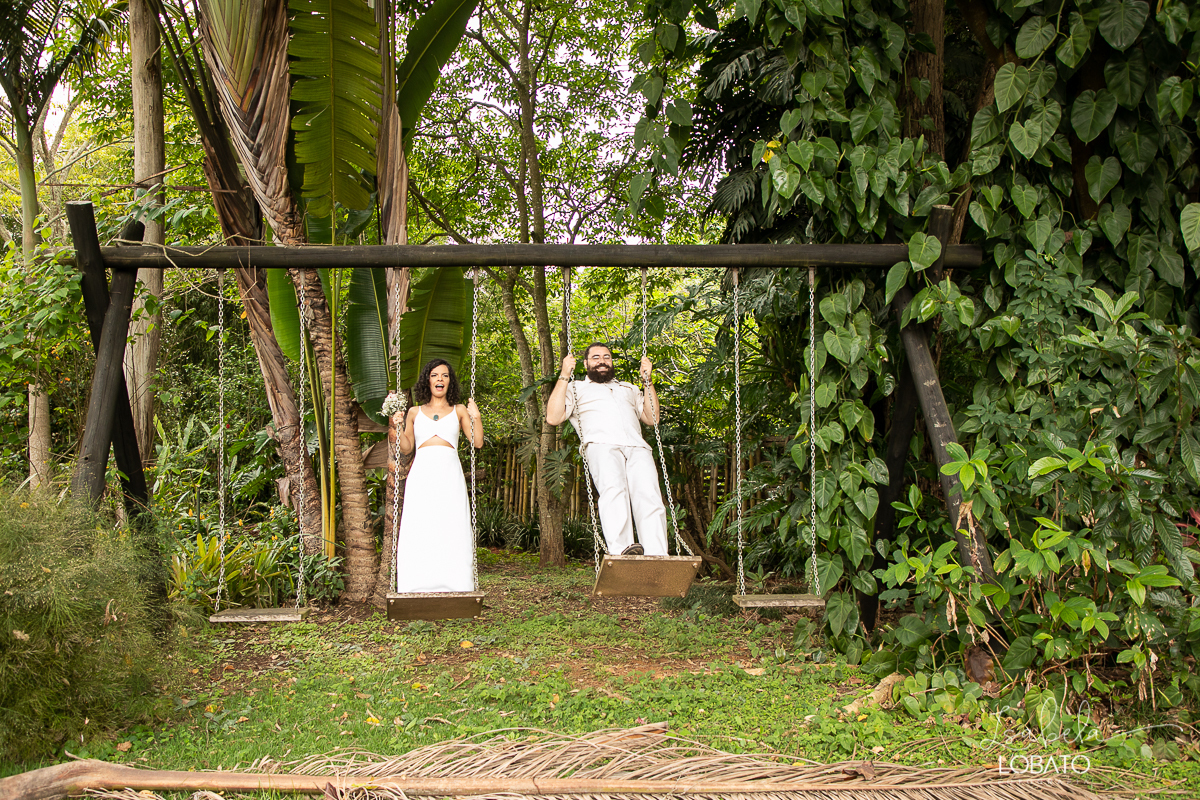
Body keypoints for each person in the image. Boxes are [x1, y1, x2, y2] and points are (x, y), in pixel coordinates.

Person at [545, 343, 668, 556]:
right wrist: (565, 374)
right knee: (614, 492)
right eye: (595, 357)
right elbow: (554, 417)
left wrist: (648, 382)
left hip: (637, 446)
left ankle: (657, 553)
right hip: (601, 445)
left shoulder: (628, 388)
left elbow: (652, 418)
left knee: (650, 496)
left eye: (606, 357)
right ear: (585, 363)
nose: (602, 361)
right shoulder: (576, 388)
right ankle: (623, 550)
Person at [393, 358, 484, 592]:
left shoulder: (459, 410)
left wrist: (476, 417)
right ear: (428, 380)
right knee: (422, 523)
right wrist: (396, 426)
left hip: (449, 472)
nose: (440, 379)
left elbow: (478, 442)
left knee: (450, 523)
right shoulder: (414, 412)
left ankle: (456, 582)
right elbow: (406, 448)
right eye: (435, 375)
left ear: (449, 382)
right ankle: (417, 582)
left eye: (444, 375)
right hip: (422, 472)